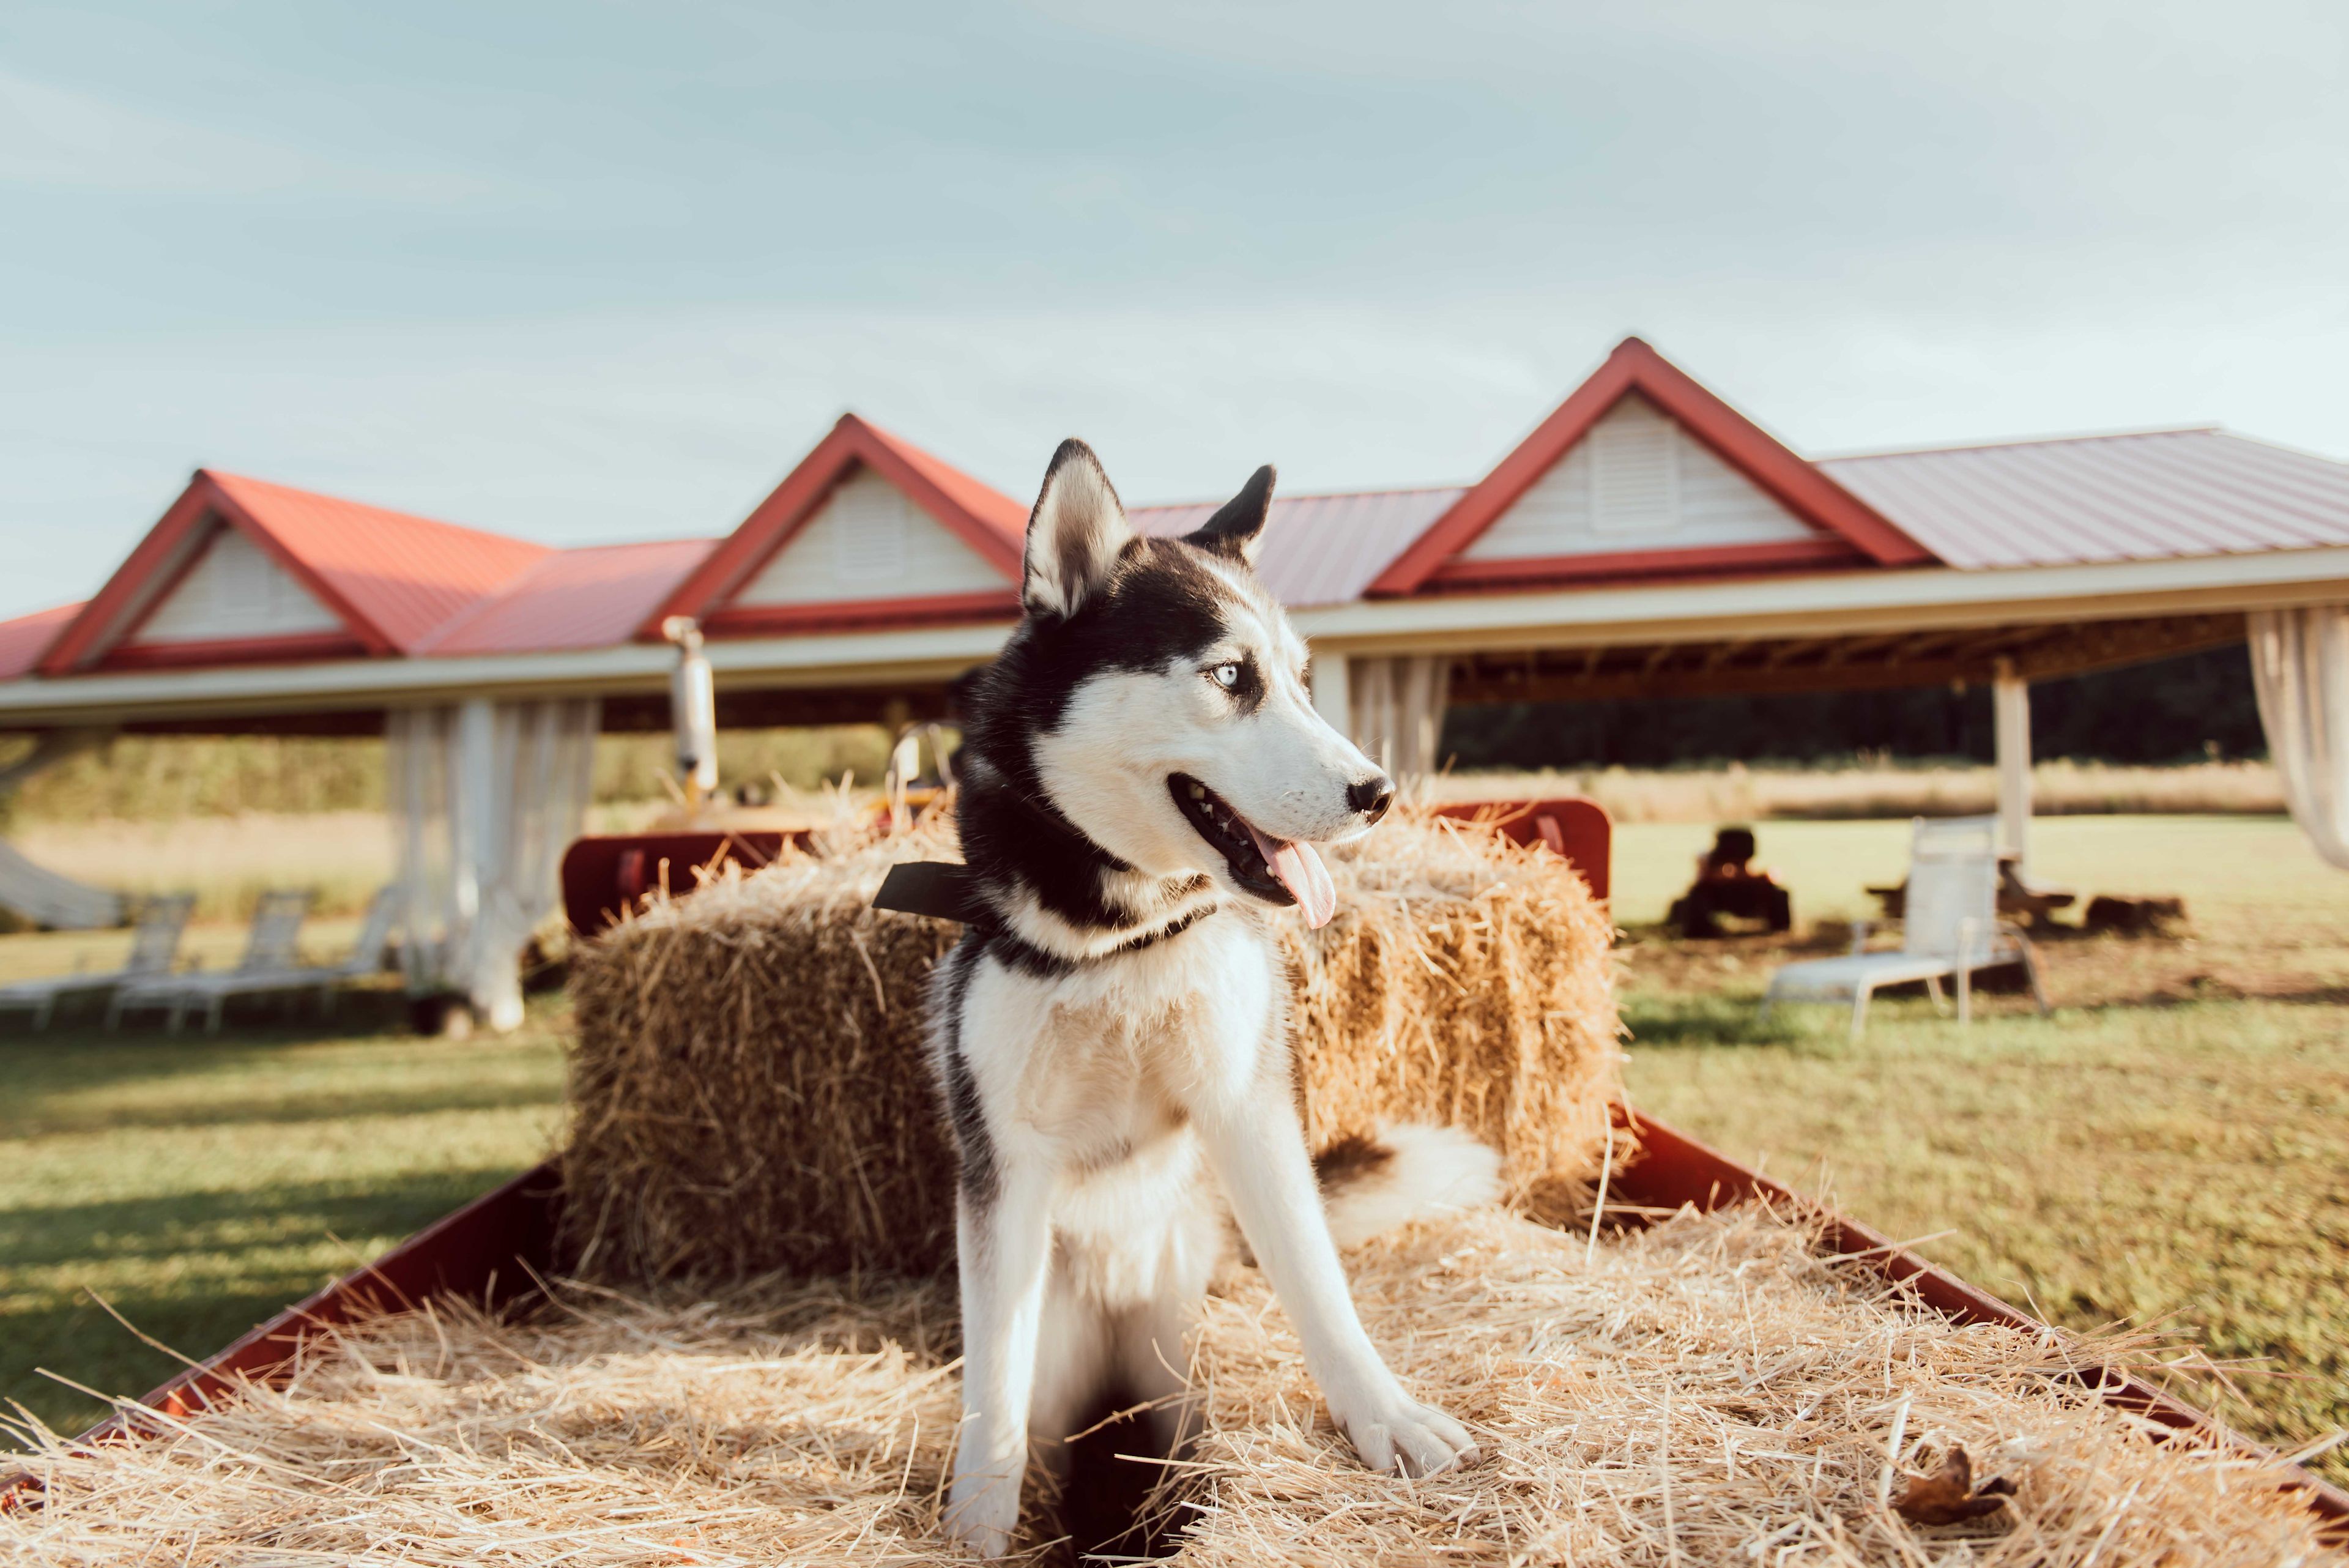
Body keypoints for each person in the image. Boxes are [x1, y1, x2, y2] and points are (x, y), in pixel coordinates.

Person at [1666, 825, 1792, 938]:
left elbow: (1769, 876)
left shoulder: (1747, 875)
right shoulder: (1709, 864)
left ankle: (1780, 926)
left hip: (1735, 893)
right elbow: (1704, 877)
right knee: (1697, 896)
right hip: (1715, 895)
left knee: (1779, 893)